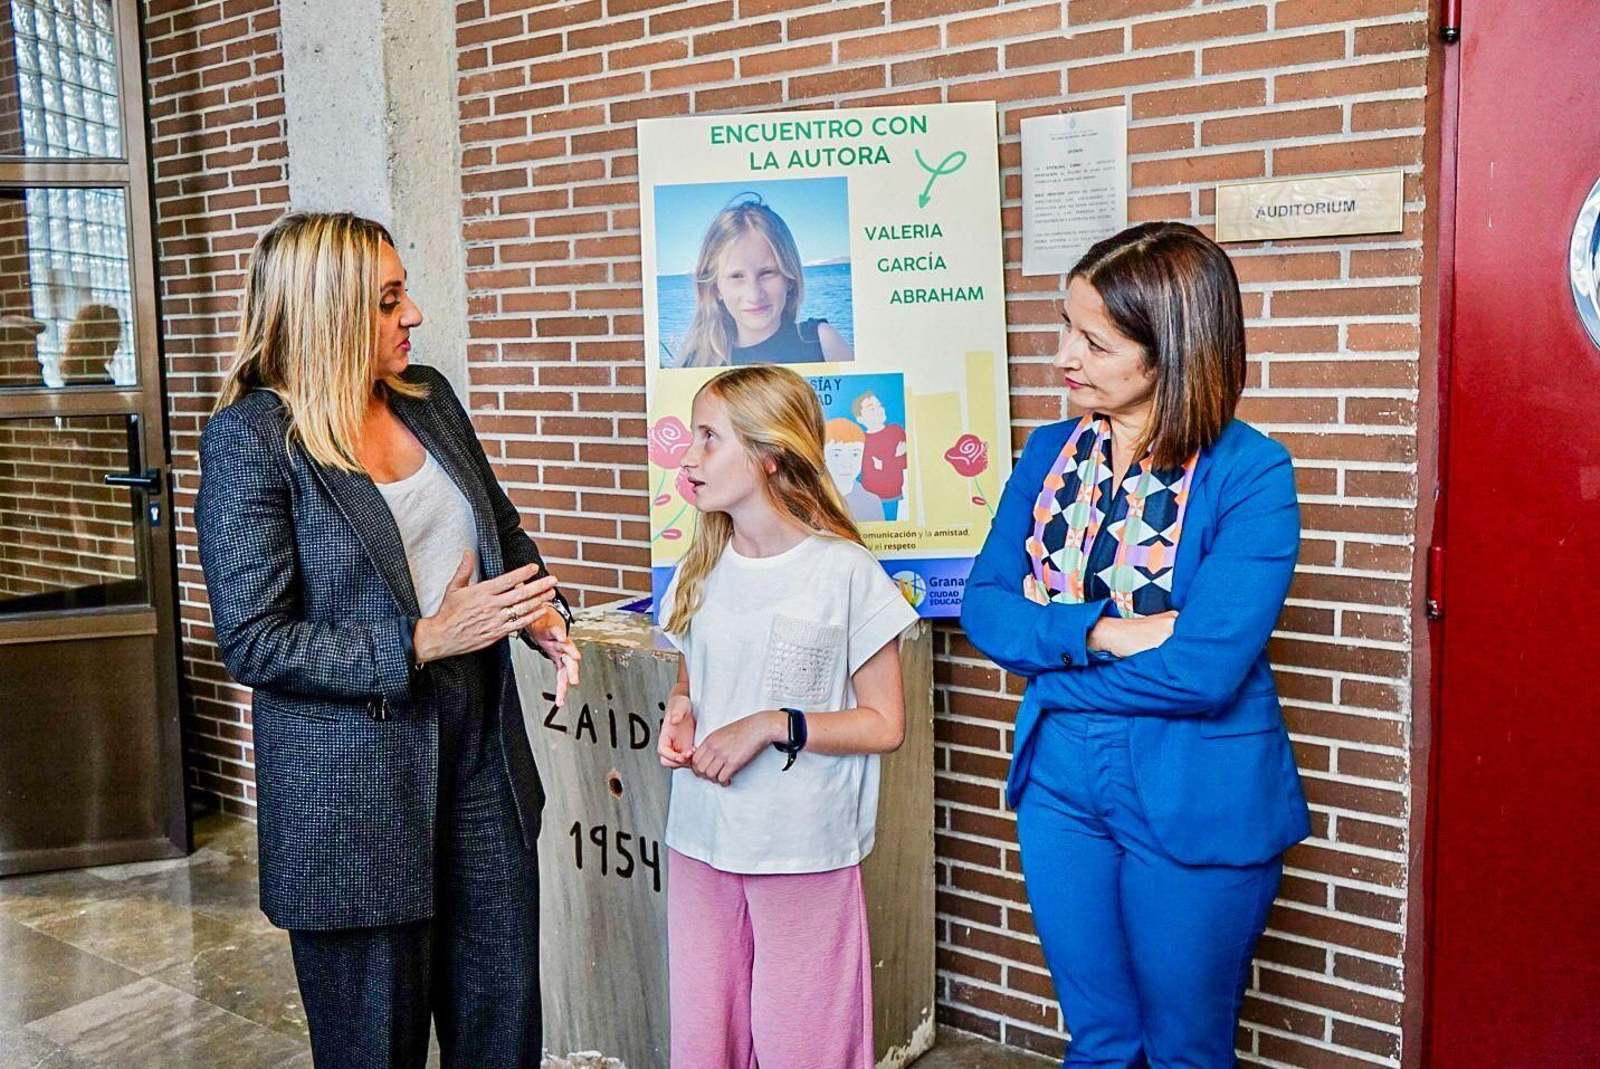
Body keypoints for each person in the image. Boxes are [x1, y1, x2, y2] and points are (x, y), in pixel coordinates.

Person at [196, 211, 581, 1069]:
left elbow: (503, 530)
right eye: (387, 300)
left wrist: (541, 611)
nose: (412, 316)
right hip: (352, 799)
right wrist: (420, 639)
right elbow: (255, 639)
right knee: (376, 1048)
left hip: (483, 762)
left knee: (503, 1032)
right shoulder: (253, 439)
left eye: (404, 294)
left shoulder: (429, 397)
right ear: (327, 311)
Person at [960, 222, 1310, 1068]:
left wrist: (1051, 672)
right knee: (1101, 1039)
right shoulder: (1049, 452)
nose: (1062, 356)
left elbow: (1204, 671)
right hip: (1060, 787)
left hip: (1196, 783)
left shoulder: (1251, 473)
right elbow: (982, 609)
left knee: (1186, 1048)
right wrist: (1106, 631)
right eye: (1065, 325)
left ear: (1171, 352)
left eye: (1093, 340)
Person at [653, 364, 917, 1068]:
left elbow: (884, 723)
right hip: (700, 840)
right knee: (703, 1044)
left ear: (768, 454)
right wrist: (680, 708)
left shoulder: (846, 573)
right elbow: (692, 673)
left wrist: (774, 722)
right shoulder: (696, 570)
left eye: (709, 438)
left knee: (806, 1047)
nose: (689, 454)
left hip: (801, 848)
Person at [674, 196, 853, 367]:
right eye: (736, 276)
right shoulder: (697, 364)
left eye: (767, 273)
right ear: (715, 288)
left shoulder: (822, 343)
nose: (754, 295)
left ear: (789, 279)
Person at [853, 390, 907, 520]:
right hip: (870, 500)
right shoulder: (861, 441)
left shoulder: (896, 430)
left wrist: (886, 463)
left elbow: (906, 463)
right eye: (872, 408)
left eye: (879, 405)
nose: (879, 409)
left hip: (895, 497)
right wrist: (895, 457)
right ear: (861, 419)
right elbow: (869, 471)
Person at [824, 416, 886, 522]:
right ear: (823, 457)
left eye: (855, 454)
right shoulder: (811, 499)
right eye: (836, 455)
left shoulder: (872, 502)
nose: (847, 463)